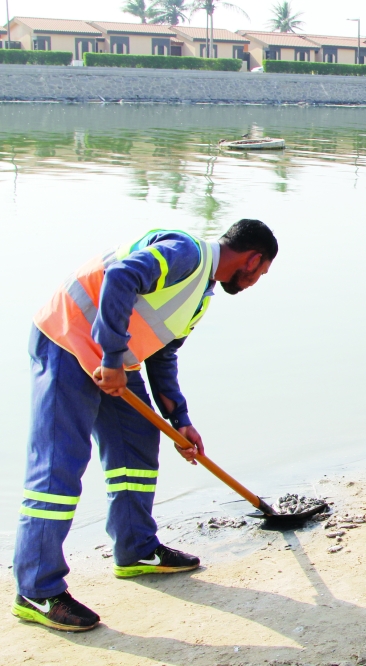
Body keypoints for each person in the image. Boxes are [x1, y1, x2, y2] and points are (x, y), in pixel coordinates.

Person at [12, 220, 278, 632]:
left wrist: (181, 420)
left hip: (113, 361)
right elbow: (120, 277)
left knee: (137, 445)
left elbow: (162, 356)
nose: (256, 281)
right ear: (253, 258)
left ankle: (136, 550)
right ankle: (37, 589)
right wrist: (114, 358)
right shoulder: (186, 252)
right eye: (261, 273)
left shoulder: (200, 296)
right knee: (59, 466)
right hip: (68, 342)